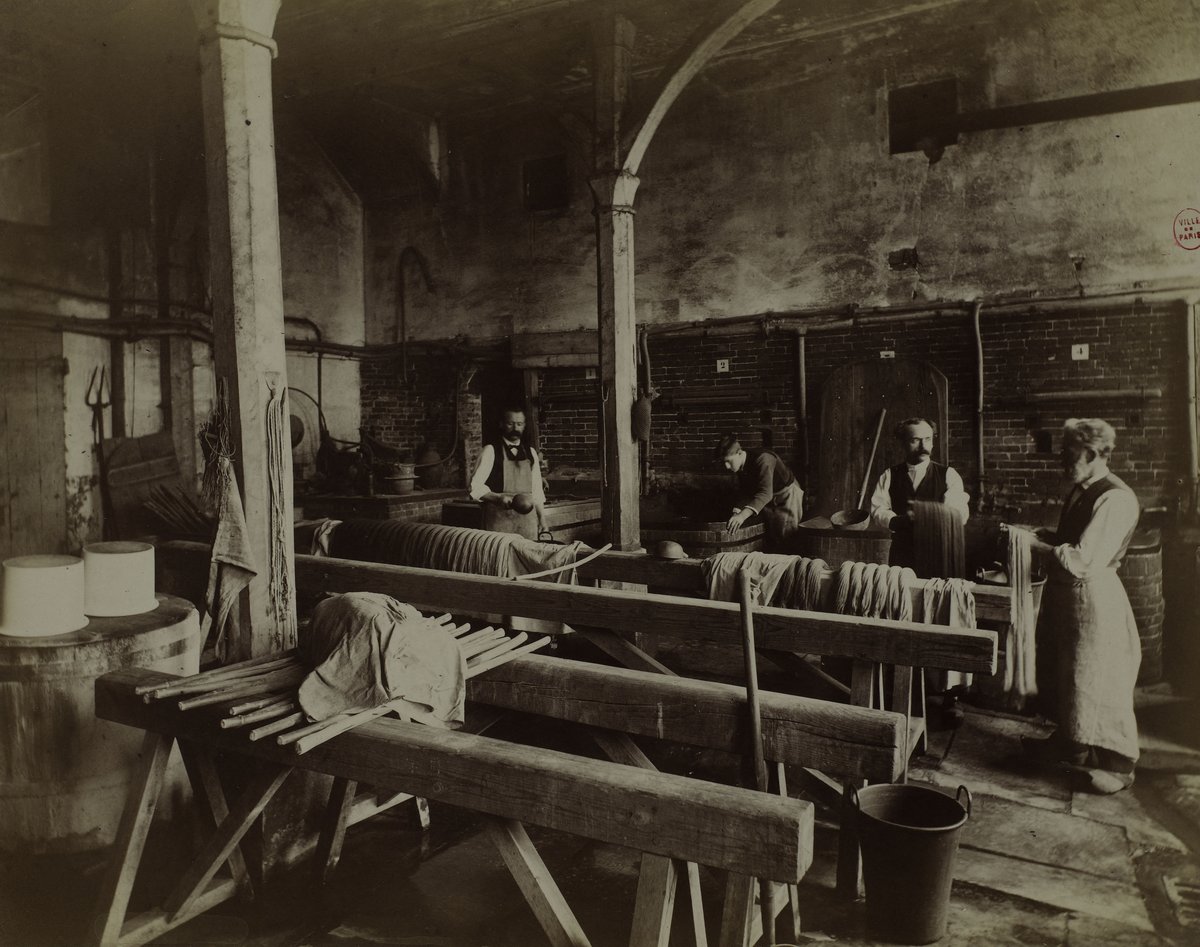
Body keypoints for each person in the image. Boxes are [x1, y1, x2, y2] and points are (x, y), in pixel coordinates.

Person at [1016, 418, 1140, 795]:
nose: (1061, 461)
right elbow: (1073, 541)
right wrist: (1046, 536)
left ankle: (1120, 765)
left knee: (1100, 680)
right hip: (1071, 595)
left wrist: (1037, 548)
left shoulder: (1114, 497)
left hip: (1093, 597)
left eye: (1068, 454)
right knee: (1072, 676)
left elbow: (1084, 560)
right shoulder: (1082, 489)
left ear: (1089, 453)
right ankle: (1072, 744)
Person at [869, 417, 970, 569]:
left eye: (928, 439)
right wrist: (900, 521)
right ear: (902, 443)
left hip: (938, 553)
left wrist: (928, 517)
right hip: (902, 553)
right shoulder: (889, 475)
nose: (923, 446)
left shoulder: (949, 475)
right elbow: (878, 509)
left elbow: (958, 513)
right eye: (915, 440)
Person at [468, 406, 546, 540]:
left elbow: (537, 491)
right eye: (510, 424)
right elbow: (474, 487)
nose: (515, 428)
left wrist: (543, 521)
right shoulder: (490, 451)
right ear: (502, 424)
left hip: (527, 523)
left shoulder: (531, 452)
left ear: (524, 425)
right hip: (498, 521)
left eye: (519, 424)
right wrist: (497, 498)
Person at [716, 434, 804, 551]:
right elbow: (745, 491)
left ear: (740, 453)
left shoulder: (764, 459)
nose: (726, 466)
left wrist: (742, 516)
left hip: (787, 495)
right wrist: (737, 510)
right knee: (772, 538)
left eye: (728, 461)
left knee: (787, 537)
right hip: (769, 498)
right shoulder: (740, 465)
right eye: (724, 462)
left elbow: (765, 493)